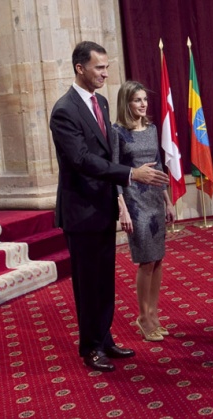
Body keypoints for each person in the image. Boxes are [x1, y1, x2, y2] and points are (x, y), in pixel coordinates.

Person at [50, 41, 169, 372]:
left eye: (106, 67)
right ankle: (90, 348)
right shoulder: (64, 110)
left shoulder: (100, 102)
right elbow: (82, 160)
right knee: (88, 284)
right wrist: (131, 174)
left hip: (102, 208)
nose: (105, 73)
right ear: (80, 68)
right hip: (80, 211)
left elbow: (106, 155)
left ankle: (105, 339)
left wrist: (118, 199)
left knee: (104, 281)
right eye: (99, 67)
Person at [112, 80, 175, 342]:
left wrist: (168, 201)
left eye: (144, 100)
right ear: (126, 103)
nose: (143, 104)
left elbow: (159, 166)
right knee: (146, 260)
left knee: (158, 259)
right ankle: (142, 316)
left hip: (154, 200)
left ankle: (154, 314)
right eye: (137, 100)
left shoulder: (151, 129)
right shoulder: (117, 132)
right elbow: (114, 171)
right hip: (134, 201)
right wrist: (122, 209)